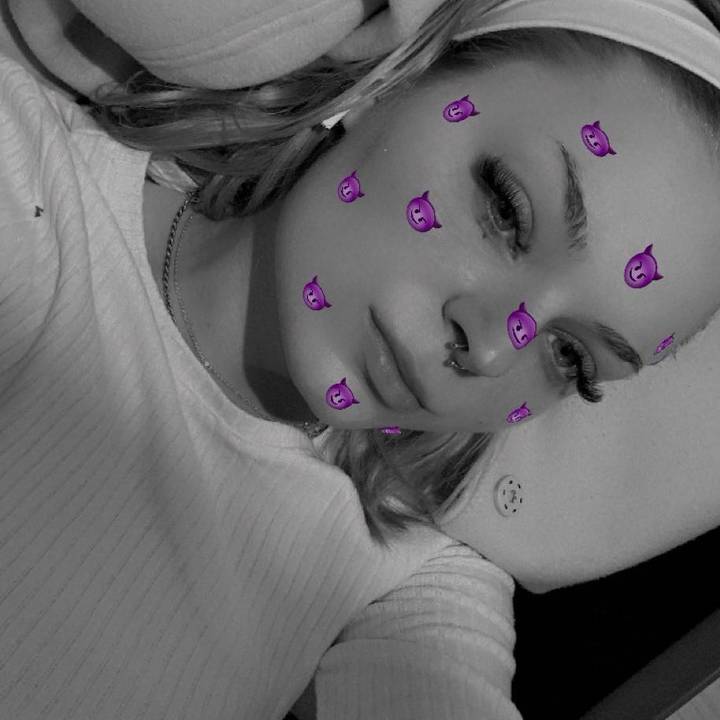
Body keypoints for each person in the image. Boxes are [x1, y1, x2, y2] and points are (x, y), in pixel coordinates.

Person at [1, 1, 719, 718]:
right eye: (507, 209)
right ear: (394, 80)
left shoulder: (406, 579)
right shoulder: (24, 179)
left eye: (571, 357)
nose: (495, 348)